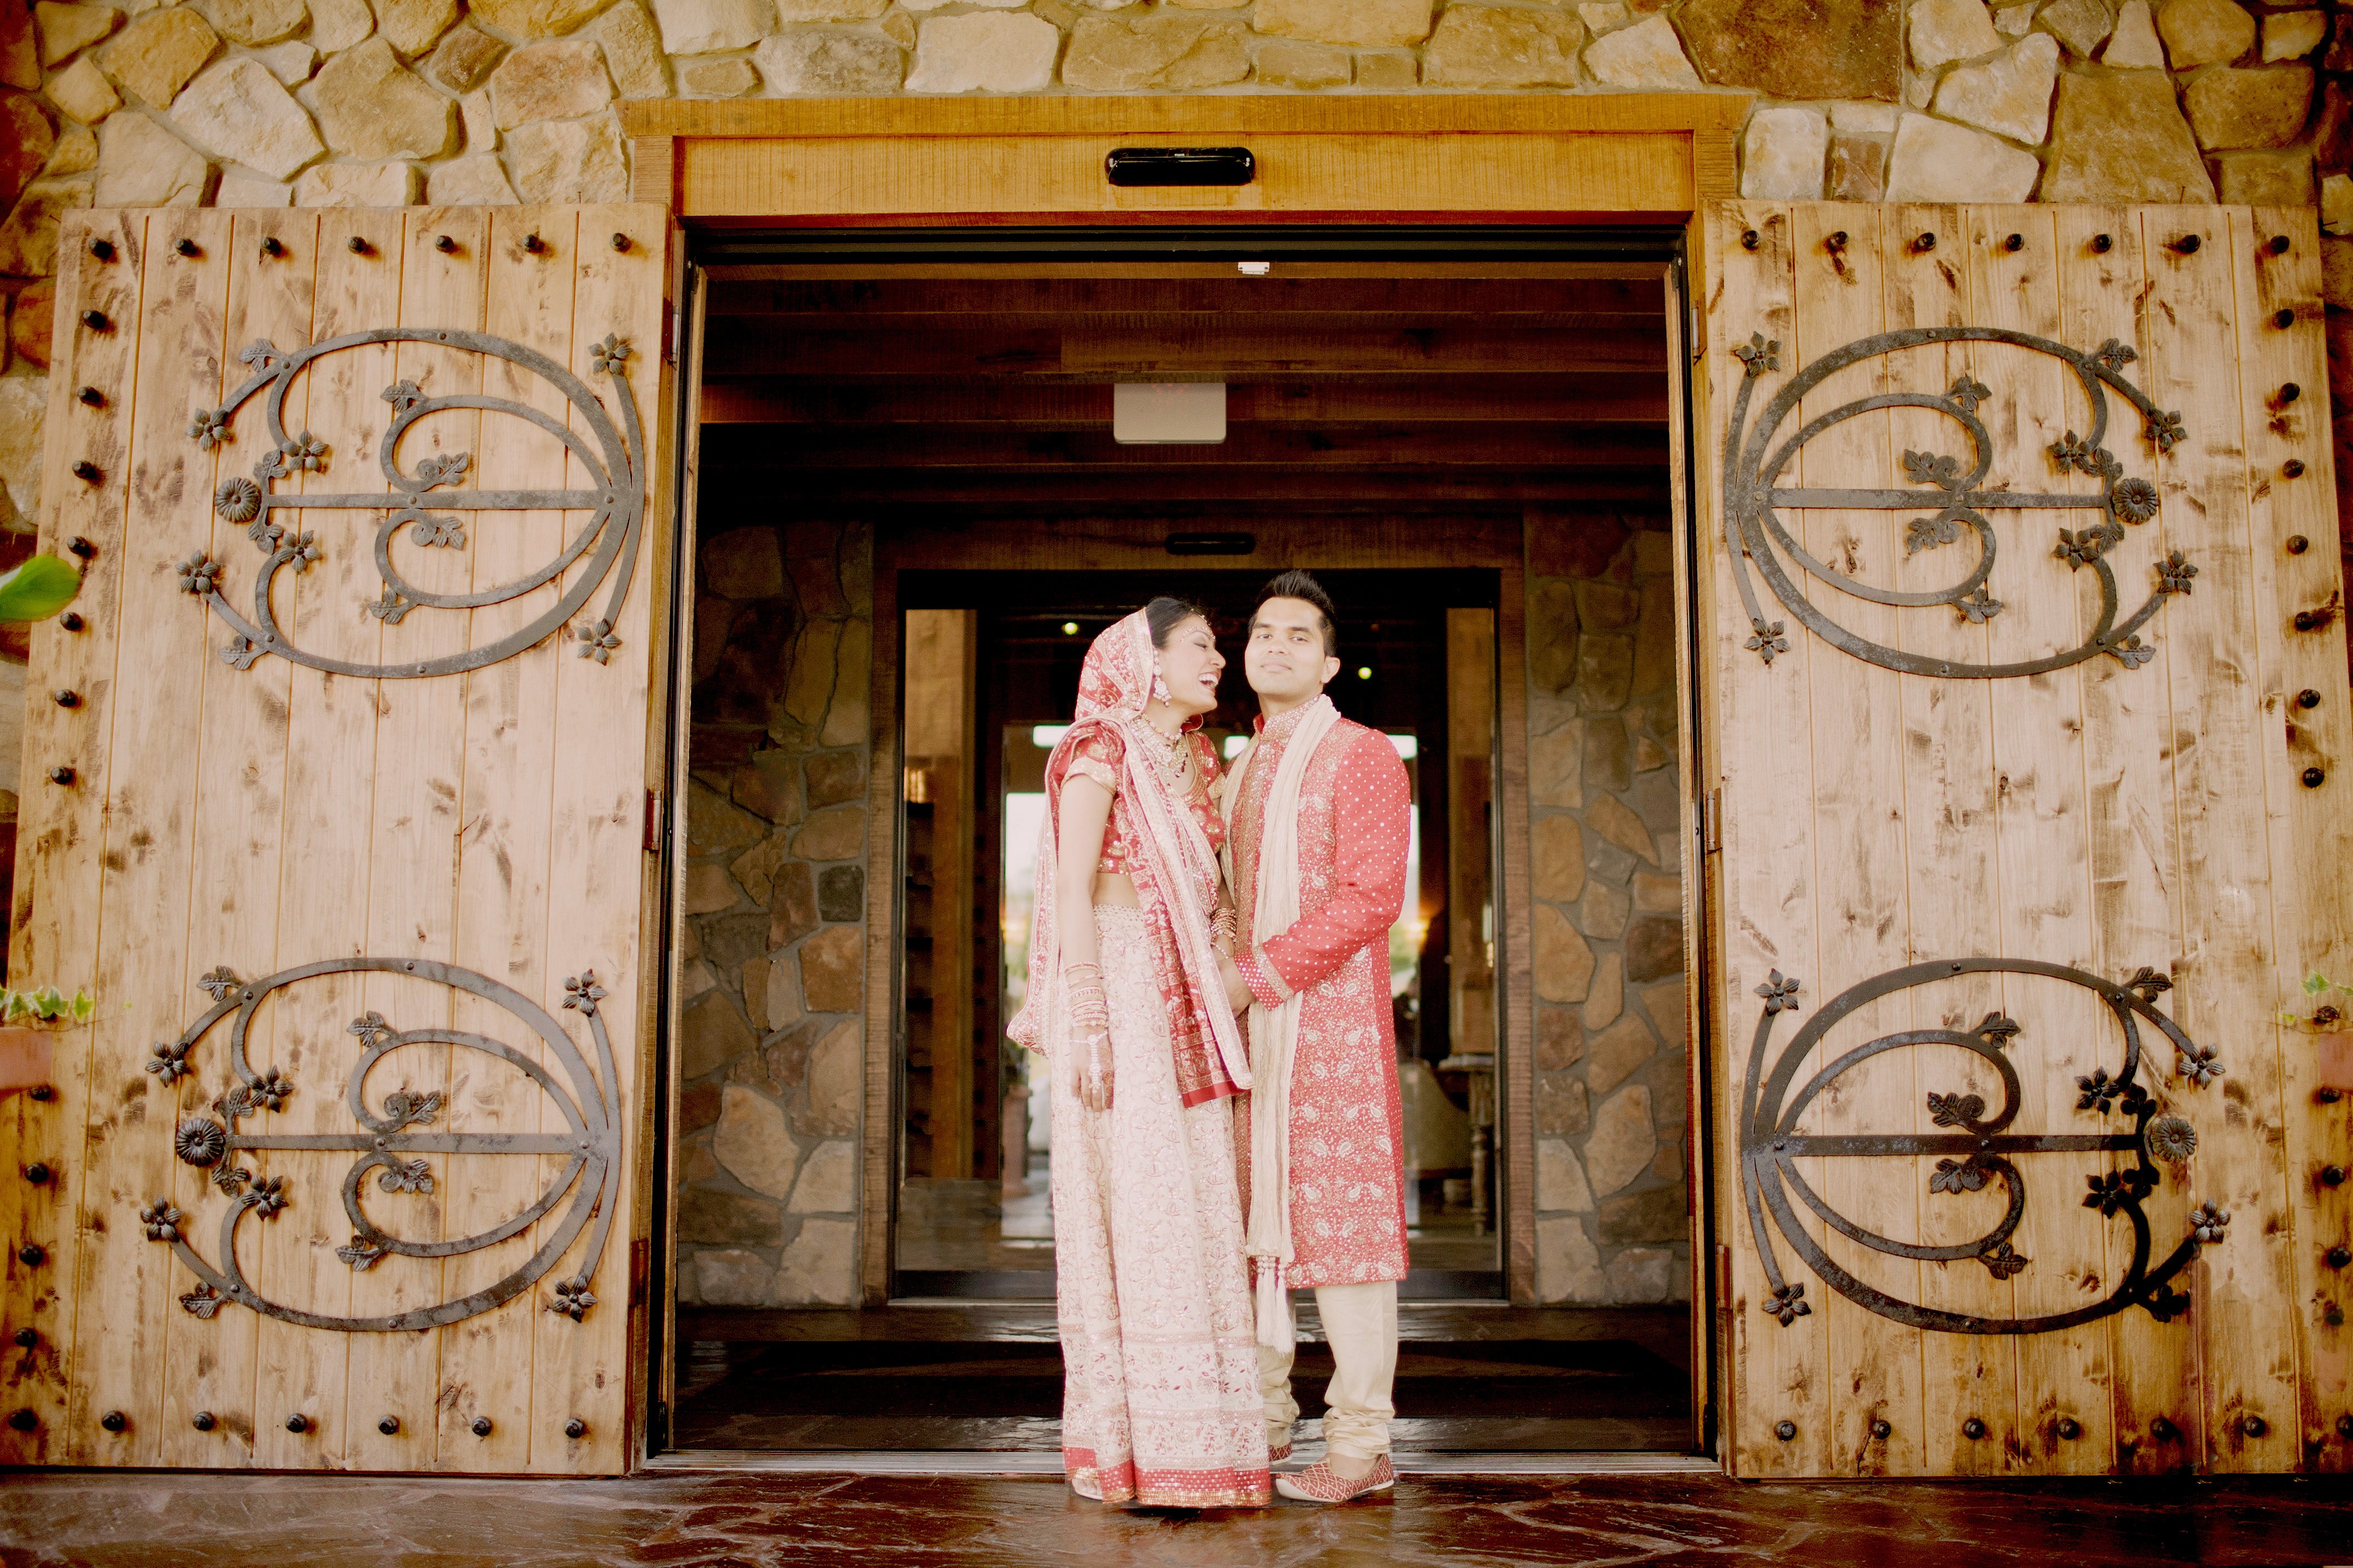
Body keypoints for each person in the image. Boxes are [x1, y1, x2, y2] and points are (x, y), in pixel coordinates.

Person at [1007, 599, 1272, 1508]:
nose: (1219, 658)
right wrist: (1088, 1014)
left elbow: (1218, 890)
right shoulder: (1100, 748)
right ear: (1146, 659)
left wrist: (1226, 969)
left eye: (1217, 645)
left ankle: (1204, 1441)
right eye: (1200, 644)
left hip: (1189, 990)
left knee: (1198, 1197)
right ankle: (1137, 1444)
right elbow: (1070, 887)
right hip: (1120, 979)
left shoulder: (1201, 758)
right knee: (1140, 1197)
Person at [1219, 569, 1413, 1504]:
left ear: (1330, 663)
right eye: (1264, 632)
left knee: (1346, 1234)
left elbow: (1372, 897)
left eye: (1300, 635)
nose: (1278, 646)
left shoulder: (1362, 753)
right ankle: (1259, 1424)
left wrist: (1253, 975)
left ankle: (1361, 1445)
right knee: (1247, 1226)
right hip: (1248, 1037)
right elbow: (1222, 895)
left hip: (1332, 1033)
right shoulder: (1238, 768)